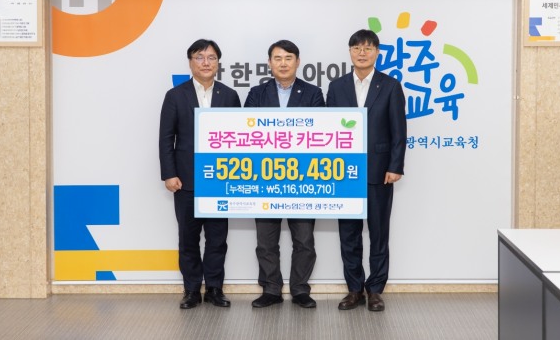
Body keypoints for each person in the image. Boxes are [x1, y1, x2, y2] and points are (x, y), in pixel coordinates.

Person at [326, 29, 407, 312]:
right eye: (357, 48)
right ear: (350, 52)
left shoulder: (390, 86)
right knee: (348, 234)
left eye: (368, 48)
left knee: (378, 233)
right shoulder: (336, 87)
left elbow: (399, 130)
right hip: (344, 173)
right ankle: (354, 289)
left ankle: (375, 290)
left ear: (377, 52)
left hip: (379, 171)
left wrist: (395, 165)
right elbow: (328, 130)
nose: (362, 53)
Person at [159, 39, 241, 309]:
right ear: (190, 62)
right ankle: (192, 290)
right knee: (188, 239)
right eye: (200, 57)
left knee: (218, 239)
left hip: (220, 181)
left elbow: (239, 139)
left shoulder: (229, 96)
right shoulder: (175, 95)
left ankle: (215, 288)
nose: (206, 63)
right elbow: (166, 138)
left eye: (211, 58)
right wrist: (169, 174)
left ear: (218, 62)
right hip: (186, 180)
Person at [244, 40, 325, 309]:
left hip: (302, 178)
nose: (283, 63)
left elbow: (320, 133)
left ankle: (300, 289)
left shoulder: (313, 93)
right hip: (265, 177)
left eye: (288, 58)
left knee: (304, 239)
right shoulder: (257, 93)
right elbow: (246, 133)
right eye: (277, 58)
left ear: (297, 62)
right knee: (266, 240)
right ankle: (271, 289)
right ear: (269, 63)